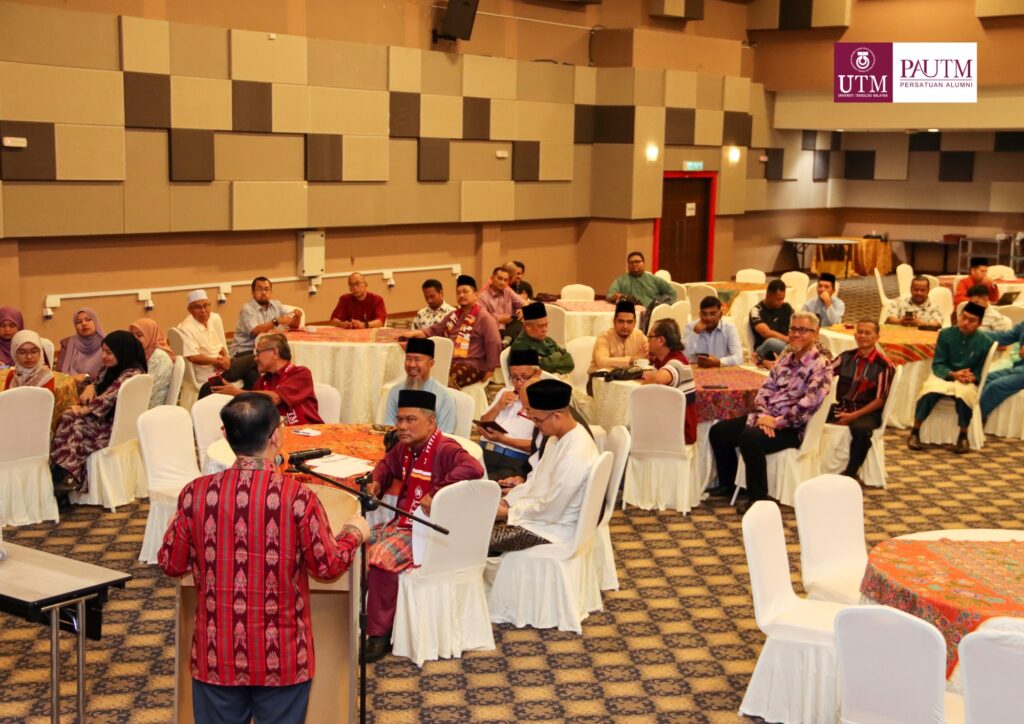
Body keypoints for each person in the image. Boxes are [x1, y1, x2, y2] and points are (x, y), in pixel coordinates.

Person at [158, 393, 368, 724]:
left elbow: (171, 563)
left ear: (226, 436)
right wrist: (353, 533)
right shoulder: (297, 497)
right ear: (276, 437)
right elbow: (327, 567)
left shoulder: (194, 494)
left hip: (217, 653)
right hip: (281, 655)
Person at [363, 389, 485, 662]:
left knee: (381, 557)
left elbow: (474, 468)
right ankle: (366, 616)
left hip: (429, 532)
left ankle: (379, 634)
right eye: (399, 420)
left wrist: (437, 491)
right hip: (405, 522)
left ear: (431, 422)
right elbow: (386, 464)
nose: (402, 426)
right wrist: (377, 481)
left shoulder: (444, 448)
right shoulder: (406, 448)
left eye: (410, 420)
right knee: (358, 540)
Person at [708, 312, 831, 514]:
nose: (796, 334)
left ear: (815, 333)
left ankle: (759, 499)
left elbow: (809, 403)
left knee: (750, 438)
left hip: (793, 427)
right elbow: (764, 390)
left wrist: (777, 422)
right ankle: (728, 483)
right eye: (793, 329)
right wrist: (764, 417)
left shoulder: (821, 365)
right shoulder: (785, 359)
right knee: (719, 431)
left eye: (803, 330)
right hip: (767, 417)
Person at [491, 379, 598, 554]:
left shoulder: (575, 452)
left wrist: (509, 513)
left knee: (480, 539)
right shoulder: (556, 438)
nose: (536, 426)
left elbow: (551, 510)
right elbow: (535, 481)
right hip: (539, 515)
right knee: (477, 520)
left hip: (554, 529)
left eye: (537, 420)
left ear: (556, 416)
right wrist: (507, 501)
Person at [51, 330, 148, 495]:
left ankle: (65, 474)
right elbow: (98, 383)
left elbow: (110, 396)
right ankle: (66, 476)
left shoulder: (131, 374)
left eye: (109, 352)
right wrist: (91, 386)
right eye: (103, 351)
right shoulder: (111, 369)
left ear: (122, 351)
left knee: (70, 419)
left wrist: (83, 410)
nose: (103, 356)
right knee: (70, 421)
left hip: (111, 428)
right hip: (107, 421)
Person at [908, 302, 992, 454]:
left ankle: (963, 436)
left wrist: (972, 377)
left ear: (979, 324)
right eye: (963, 317)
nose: (965, 322)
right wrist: (952, 374)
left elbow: (981, 370)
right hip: (944, 375)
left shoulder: (985, 341)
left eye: (971, 320)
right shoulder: (946, 334)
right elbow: (938, 363)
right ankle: (915, 432)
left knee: (964, 395)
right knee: (928, 391)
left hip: (966, 379)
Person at [406, 275, 501, 389]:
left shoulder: (484, 317)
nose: (461, 295)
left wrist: (490, 369)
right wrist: (413, 334)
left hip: (472, 365)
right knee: (420, 370)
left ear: (476, 294)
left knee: (444, 377)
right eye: (458, 293)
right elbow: (434, 330)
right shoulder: (454, 315)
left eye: (465, 291)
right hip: (450, 361)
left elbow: (494, 342)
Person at [827, 321, 895, 482]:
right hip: (843, 406)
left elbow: (880, 400)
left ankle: (850, 474)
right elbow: (824, 373)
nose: (863, 336)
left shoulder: (884, 365)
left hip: (867, 411)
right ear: (855, 335)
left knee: (861, 431)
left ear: (877, 337)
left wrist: (853, 416)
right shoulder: (846, 357)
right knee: (809, 416)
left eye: (867, 333)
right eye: (860, 332)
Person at [211, 334, 323, 426]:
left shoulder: (300, 373)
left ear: (274, 353)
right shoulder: (261, 381)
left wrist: (237, 392)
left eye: (258, 353)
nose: (255, 358)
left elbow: (275, 398)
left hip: (308, 433)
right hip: (278, 437)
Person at [477, 348, 545, 480]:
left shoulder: (543, 403)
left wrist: (503, 440)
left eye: (524, 377)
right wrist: (498, 406)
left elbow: (539, 446)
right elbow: (482, 423)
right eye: (514, 377)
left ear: (537, 373)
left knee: (480, 485)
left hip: (512, 461)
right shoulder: (505, 392)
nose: (519, 383)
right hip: (484, 452)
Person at [225, 277, 303, 390]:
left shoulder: (277, 305)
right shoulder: (247, 309)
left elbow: (293, 325)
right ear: (252, 292)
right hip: (245, 351)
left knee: (280, 368)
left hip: (266, 352)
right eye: (259, 289)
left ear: (271, 292)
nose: (263, 292)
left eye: (266, 289)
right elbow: (255, 331)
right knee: (255, 377)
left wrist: (297, 317)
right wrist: (276, 321)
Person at [1, 329, 79, 432]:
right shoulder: (12, 375)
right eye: (22, 352)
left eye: (34, 351)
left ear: (40, 352)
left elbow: (42, 409)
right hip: (12, 422)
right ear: (14, 353)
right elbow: (6, 404)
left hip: (37, 427)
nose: (29, 357)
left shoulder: (45, 376)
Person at [382, 337, 457, 434]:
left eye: (417, 359)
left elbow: (445, 436)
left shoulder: (444, 397)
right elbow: (389, 429)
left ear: (431, 363)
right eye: (408, 359)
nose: (412, 365)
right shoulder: (395, 391)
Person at [641, 319, 697, 445]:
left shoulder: (678, 362)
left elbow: (659, 379)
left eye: (650, 337)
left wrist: (645, 382)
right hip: (668, 424)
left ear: (661, 340)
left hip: (680, 432)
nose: (647, 341)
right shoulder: (662, 360)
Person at [179, 290, 230, 390]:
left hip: (222, 367)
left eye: (206, 305)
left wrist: (226, 358)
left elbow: (220, 346)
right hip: (209, 374)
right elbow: (193, 357)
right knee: (250, 364)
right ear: (189, 309)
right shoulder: (186, 328)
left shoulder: (207, 321)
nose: (203, 310)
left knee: (251, 370)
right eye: (198, 307)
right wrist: (217, 362)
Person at [510, 302, 574, 375]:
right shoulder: (520, 347)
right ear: (528, 327)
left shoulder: (548, 341)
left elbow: (570, 363)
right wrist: (557, 355)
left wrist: (546, 361)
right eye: (541, 326)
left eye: (546, 325)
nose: (545, 329)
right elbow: (536, 372)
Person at [979, 319, 1024, 422]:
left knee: (995, 386)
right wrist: (976, 332)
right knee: (983, 379)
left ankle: (974, 420)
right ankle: (971, 416)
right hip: (1019, 368)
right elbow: (1004, 337)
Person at [588, 300, 648, 373]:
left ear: (635, 323)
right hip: (600, 379)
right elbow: (602, 362)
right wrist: (631, 360)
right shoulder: (604, 338)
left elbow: (650, 354)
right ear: (614, 321)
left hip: (629, 378)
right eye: (621, 321)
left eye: (629, 322)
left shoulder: (639, 336)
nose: (625, 326)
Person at [683, 296, 743, 368]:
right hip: (696, 369)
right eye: (704, 314)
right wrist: (695, 333)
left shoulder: (729, 328)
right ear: (700, 314)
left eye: (712, 314)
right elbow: (684, 357)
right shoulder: (691, 327)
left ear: (720, 315)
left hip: (723, 370)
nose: (708, 318)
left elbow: (739, 358)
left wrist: (719, 362)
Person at [129, 318, 176, 408]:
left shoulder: (159, 357)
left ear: (150, 335)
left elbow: (147, 390)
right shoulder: (144, 353)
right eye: (132, 336)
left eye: (139, 335)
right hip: (139, 402)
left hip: (150, 407)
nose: (134, 340)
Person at [55, 308, 106, 386]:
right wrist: (73, 379)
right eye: (79, 322)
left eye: (88, 319)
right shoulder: (68, 343)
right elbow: (59, 372)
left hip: (99, 386)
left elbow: (109, 372)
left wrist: (86, 377)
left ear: (95, 322)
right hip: (71, 387)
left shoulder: (107, 343)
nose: (84, 324)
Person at [606, 251, 677, 307]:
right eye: (631, 262)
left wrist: (659, 305)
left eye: (637, 261)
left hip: (652, 314)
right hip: (630, 314)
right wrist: (617, 296)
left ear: (643, 263)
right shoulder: (620, 280)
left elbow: (672, 293)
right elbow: (609, 295)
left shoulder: (654, 279)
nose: (634, 264)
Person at [749, 279, 794, 363]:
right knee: (771, 342)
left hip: (788, 344)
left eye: (782, 299)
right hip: (767, 348)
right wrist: (788, 339)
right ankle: (758, 357)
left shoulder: (786, 307)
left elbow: (795, 323)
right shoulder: (756, 310)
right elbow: (766, 333)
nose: (781, 302)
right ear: (768, 295)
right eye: (778, 299)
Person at [478, 265, 525, 343]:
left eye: (505, 280)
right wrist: (498, 319)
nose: (502, 282)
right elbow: (481, 319)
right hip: (494, 329)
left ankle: (508, 339)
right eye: (499, 278)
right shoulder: (482, 297)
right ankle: (508, 339)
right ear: (492, 279)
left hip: (509, 327)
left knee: (521, 319)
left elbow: (523, 303)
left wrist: (523, 310)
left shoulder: (507, 291)